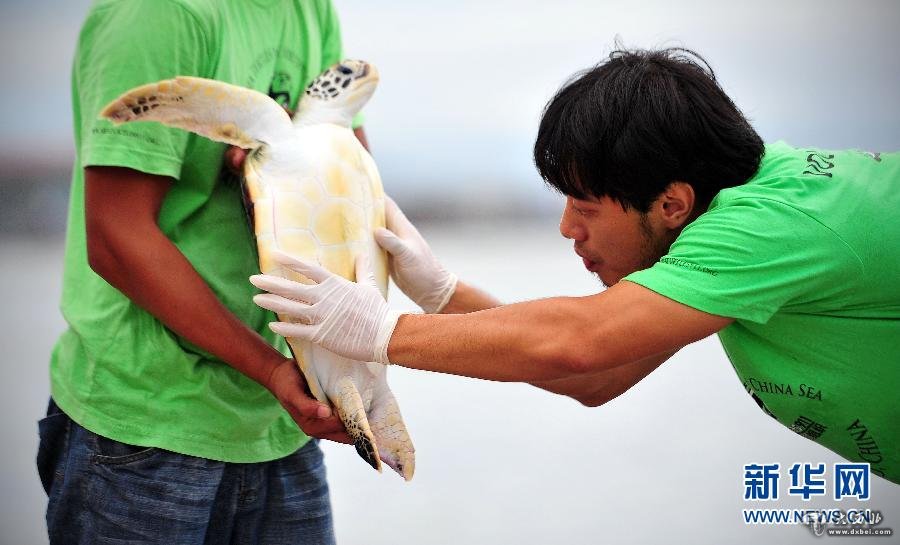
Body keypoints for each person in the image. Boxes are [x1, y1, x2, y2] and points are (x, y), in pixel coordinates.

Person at [250, 47, 900, 485]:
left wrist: (382, 332)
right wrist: (444, 294)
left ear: (673, 203)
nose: (567, 227)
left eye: (586, 206)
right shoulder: (730, 220)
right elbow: (601, 374)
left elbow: (582, 341)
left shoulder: (770, 229)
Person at [38, 1, 364, 543]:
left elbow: (344, 170)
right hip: (147, 425)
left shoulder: (309, 7)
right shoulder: (160, 14)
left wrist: (281, 170)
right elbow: (117, 238)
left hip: (278, 421)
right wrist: (272, 370)